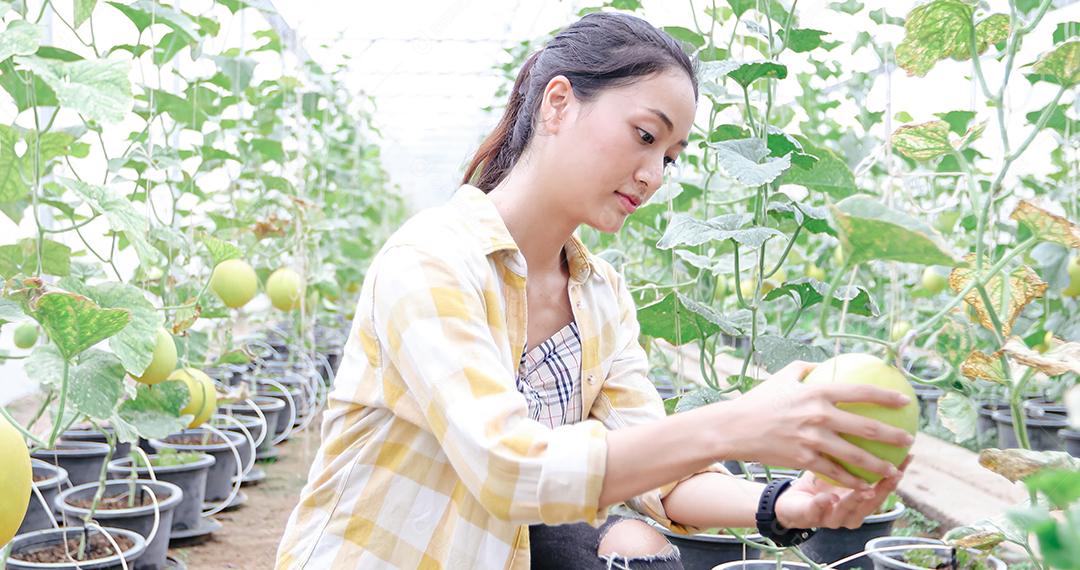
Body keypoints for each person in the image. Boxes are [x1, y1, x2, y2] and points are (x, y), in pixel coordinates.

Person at [276, 11, 915, 570]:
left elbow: (664, 478)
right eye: (645, 135)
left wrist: (785, 503)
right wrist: (738, 422)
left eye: (671, 156)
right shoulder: (431, 260)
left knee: (637, 539)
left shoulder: (600, 292)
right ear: (557, 102)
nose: (654, 174)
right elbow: (513, 469)